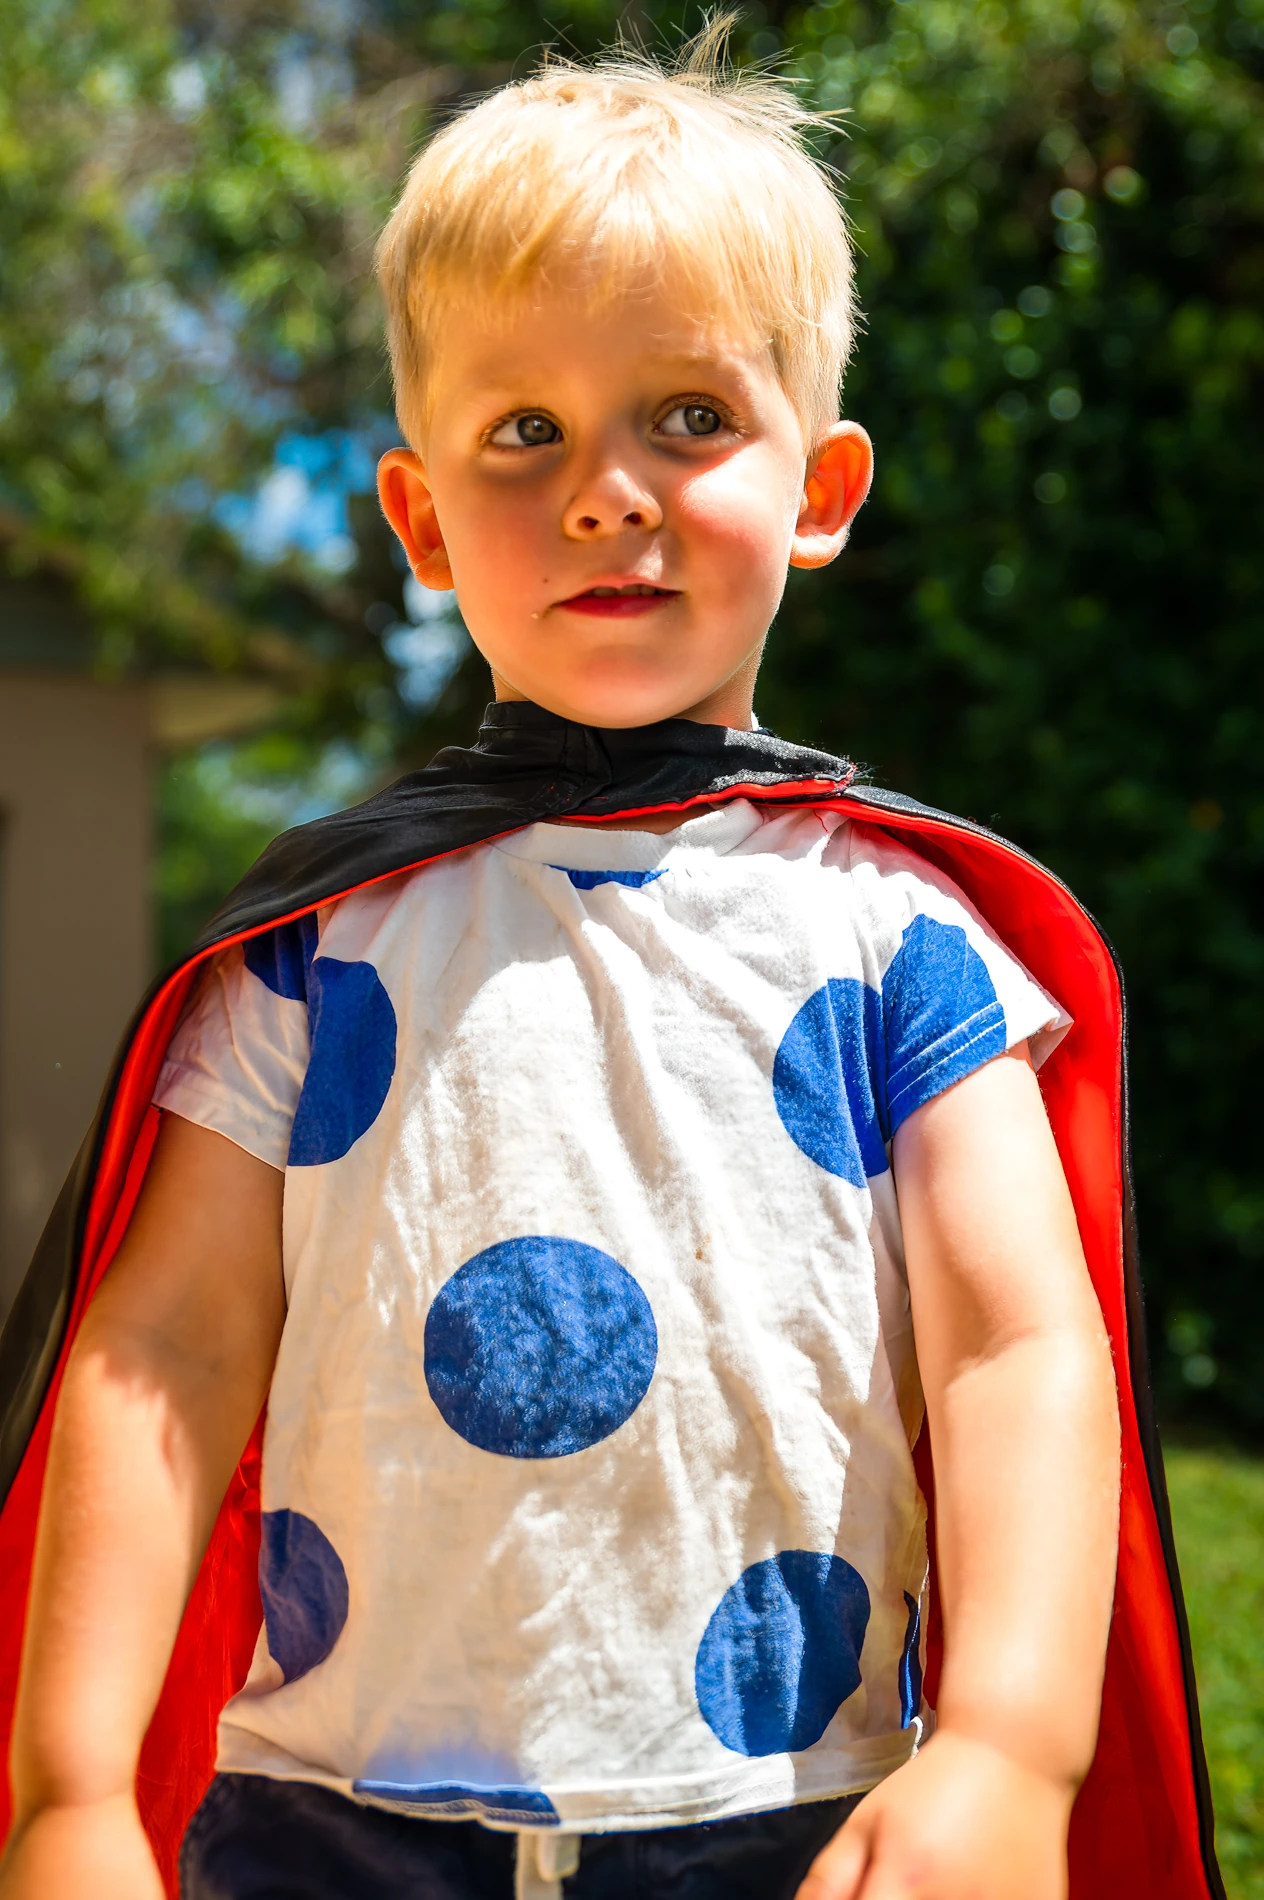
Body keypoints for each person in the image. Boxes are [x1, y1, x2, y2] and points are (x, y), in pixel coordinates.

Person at [2, 18, 1206, 1900]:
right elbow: (160, 1352)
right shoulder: (315, 951)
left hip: (792, 1824)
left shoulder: (898, 941)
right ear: (418, 518)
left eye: (692, 417)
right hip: (334, 1830)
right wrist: (74, 1797)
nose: (605, 489)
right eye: (526, 432)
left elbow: (1015, 1345)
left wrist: (1012, 1745)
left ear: (820, 492)